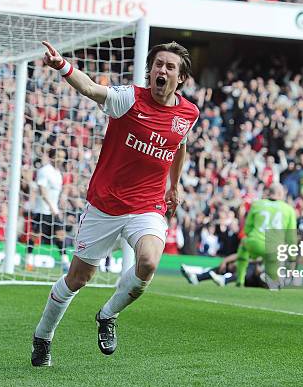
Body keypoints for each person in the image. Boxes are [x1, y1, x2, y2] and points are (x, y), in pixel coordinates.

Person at [31, 40, 199, 366]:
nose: (161, 70)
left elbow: (179, 145)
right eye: (158, 64)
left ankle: (107, 315)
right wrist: (63, 66)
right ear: (150, 70)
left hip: (147, 206)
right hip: (105, 205)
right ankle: (43, 336)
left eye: (169, 66)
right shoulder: (128, 100)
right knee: (78, 279)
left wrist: (173, 186)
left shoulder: (188, 113)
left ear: (180, 78)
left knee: (149, 263)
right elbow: (92, 89)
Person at [235, 184, 297, 287]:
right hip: (274, 249)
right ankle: (272, 280)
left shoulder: (257, 204)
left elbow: (247, 229)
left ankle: (240, 280)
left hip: (255, 244)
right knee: (273, 278)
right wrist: (292, 258)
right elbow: (291, 238)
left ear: (269, 193)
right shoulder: (288, 209)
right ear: (281, 194)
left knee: (243, 247)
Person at [25, 147, 68, 272]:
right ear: (52, 157)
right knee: (35, 236)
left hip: (54, 210)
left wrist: (57, 207)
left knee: (60, 235)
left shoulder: (58, 173)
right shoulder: (44, 171)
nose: (61, 159)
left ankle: (65, 262)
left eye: (62, 156)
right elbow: (42, 192)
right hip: (43, 210)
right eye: (59, 156)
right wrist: (51, 207)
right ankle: (28, 260)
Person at [180, 253, 268, 288]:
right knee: (227, 266)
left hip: (260, 280)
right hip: (250, 276)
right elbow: (240, 255)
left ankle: (225, 280)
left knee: (245, 267)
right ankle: (197, 278)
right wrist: (225, 261)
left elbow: (259, 268)